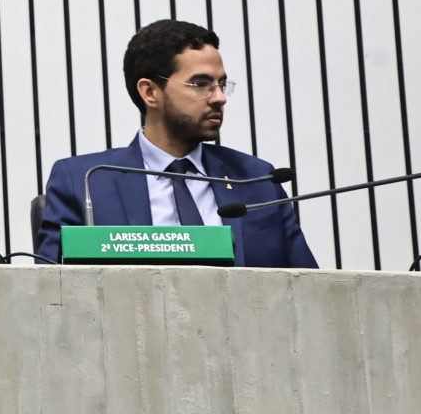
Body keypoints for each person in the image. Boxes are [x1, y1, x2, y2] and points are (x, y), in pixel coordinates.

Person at [37, 19, 316, 267]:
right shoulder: (86, 181)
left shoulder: (256, 180)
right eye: (201, 84)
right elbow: (55, 296)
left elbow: (306, 288)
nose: (219, 97)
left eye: (221, 84)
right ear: (150, 92)